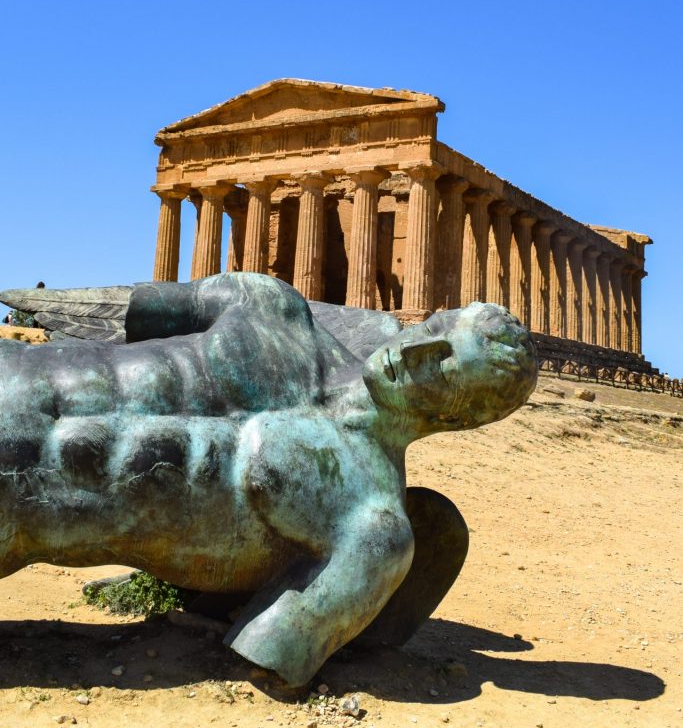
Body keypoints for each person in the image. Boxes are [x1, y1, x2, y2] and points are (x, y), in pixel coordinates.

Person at [0, 272, 537, 685]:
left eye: (444, 369)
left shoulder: (371, 530)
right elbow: (128, 313)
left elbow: (271, 650)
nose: (414, 352)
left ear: (457, 418)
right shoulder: (272, 305)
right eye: (437, 330)